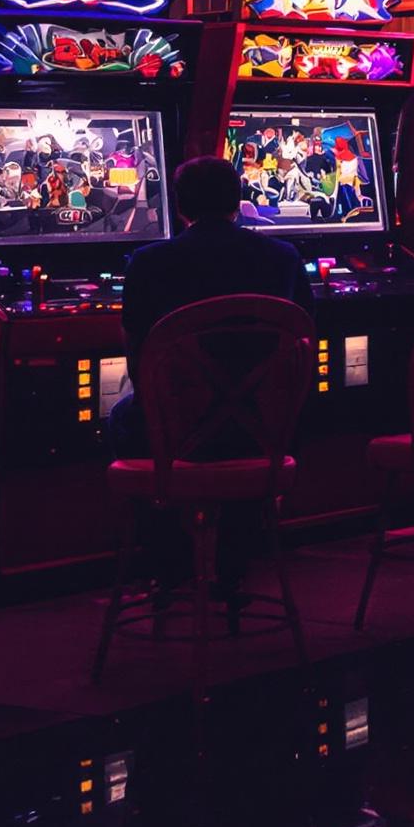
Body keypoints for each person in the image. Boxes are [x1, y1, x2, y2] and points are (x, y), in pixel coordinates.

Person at [110, 155, 316, 593]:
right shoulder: (283, 257)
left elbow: (137, 360)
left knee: (123, 414)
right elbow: (303, 345)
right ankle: (235, 557)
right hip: (265, 430)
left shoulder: (148, 261)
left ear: (179, 205)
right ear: (238, 200)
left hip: (174, 431)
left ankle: (167, 563)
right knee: (240, 418)